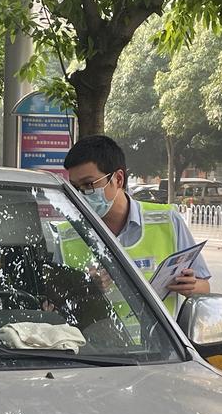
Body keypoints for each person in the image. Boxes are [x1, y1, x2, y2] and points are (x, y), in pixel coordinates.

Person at [63, 135, 210, 316]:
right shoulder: (67, 234)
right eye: (74, 188)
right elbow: (56, 303)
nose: (81, 194)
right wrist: (86, 287)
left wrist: (191, 286)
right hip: (92, 343)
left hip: (159, 344)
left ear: (118, 179)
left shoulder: (168, 221)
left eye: (88, 184)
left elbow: (204, 287)